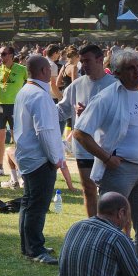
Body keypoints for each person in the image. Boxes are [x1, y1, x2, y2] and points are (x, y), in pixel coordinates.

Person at [73, 49, 138, 272]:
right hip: (120, 171)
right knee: (111, 225)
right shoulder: (107, 97)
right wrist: (107, 158)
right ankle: (107, 269)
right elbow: (80, 132)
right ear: (117, 73)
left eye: (137, 66)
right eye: (130, 68)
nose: (137, 72)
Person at [12, 55, 75, 265]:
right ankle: (35, 248)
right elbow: (45, 131)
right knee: (37, 206)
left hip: (28, 155)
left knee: (29, 203)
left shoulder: (26, 91)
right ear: (44, 71)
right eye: (50, 69)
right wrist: (56, 158)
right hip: (40, 158)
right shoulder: (39, 95)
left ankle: (29, 244)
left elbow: (47, 121)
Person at [56, 43, 119, 217]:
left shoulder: (114, 85)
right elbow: (62, 110)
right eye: (82, 61)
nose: (83, 65)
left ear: (100, 60)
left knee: (110, 193)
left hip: (107, 145)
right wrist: (42, 115)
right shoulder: (77, 85)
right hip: (84, 147)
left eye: (87, 61)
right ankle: (93, 224)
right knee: (88, 189)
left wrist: (92, 114)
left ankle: (111, 226)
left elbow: (121, 116)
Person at [0, 47, 27, 179]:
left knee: (16, 138)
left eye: (3, 54)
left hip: (15, 106)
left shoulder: (21, 69)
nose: (0, 57)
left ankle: (20, 167)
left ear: (11, 55)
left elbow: (32, 82)